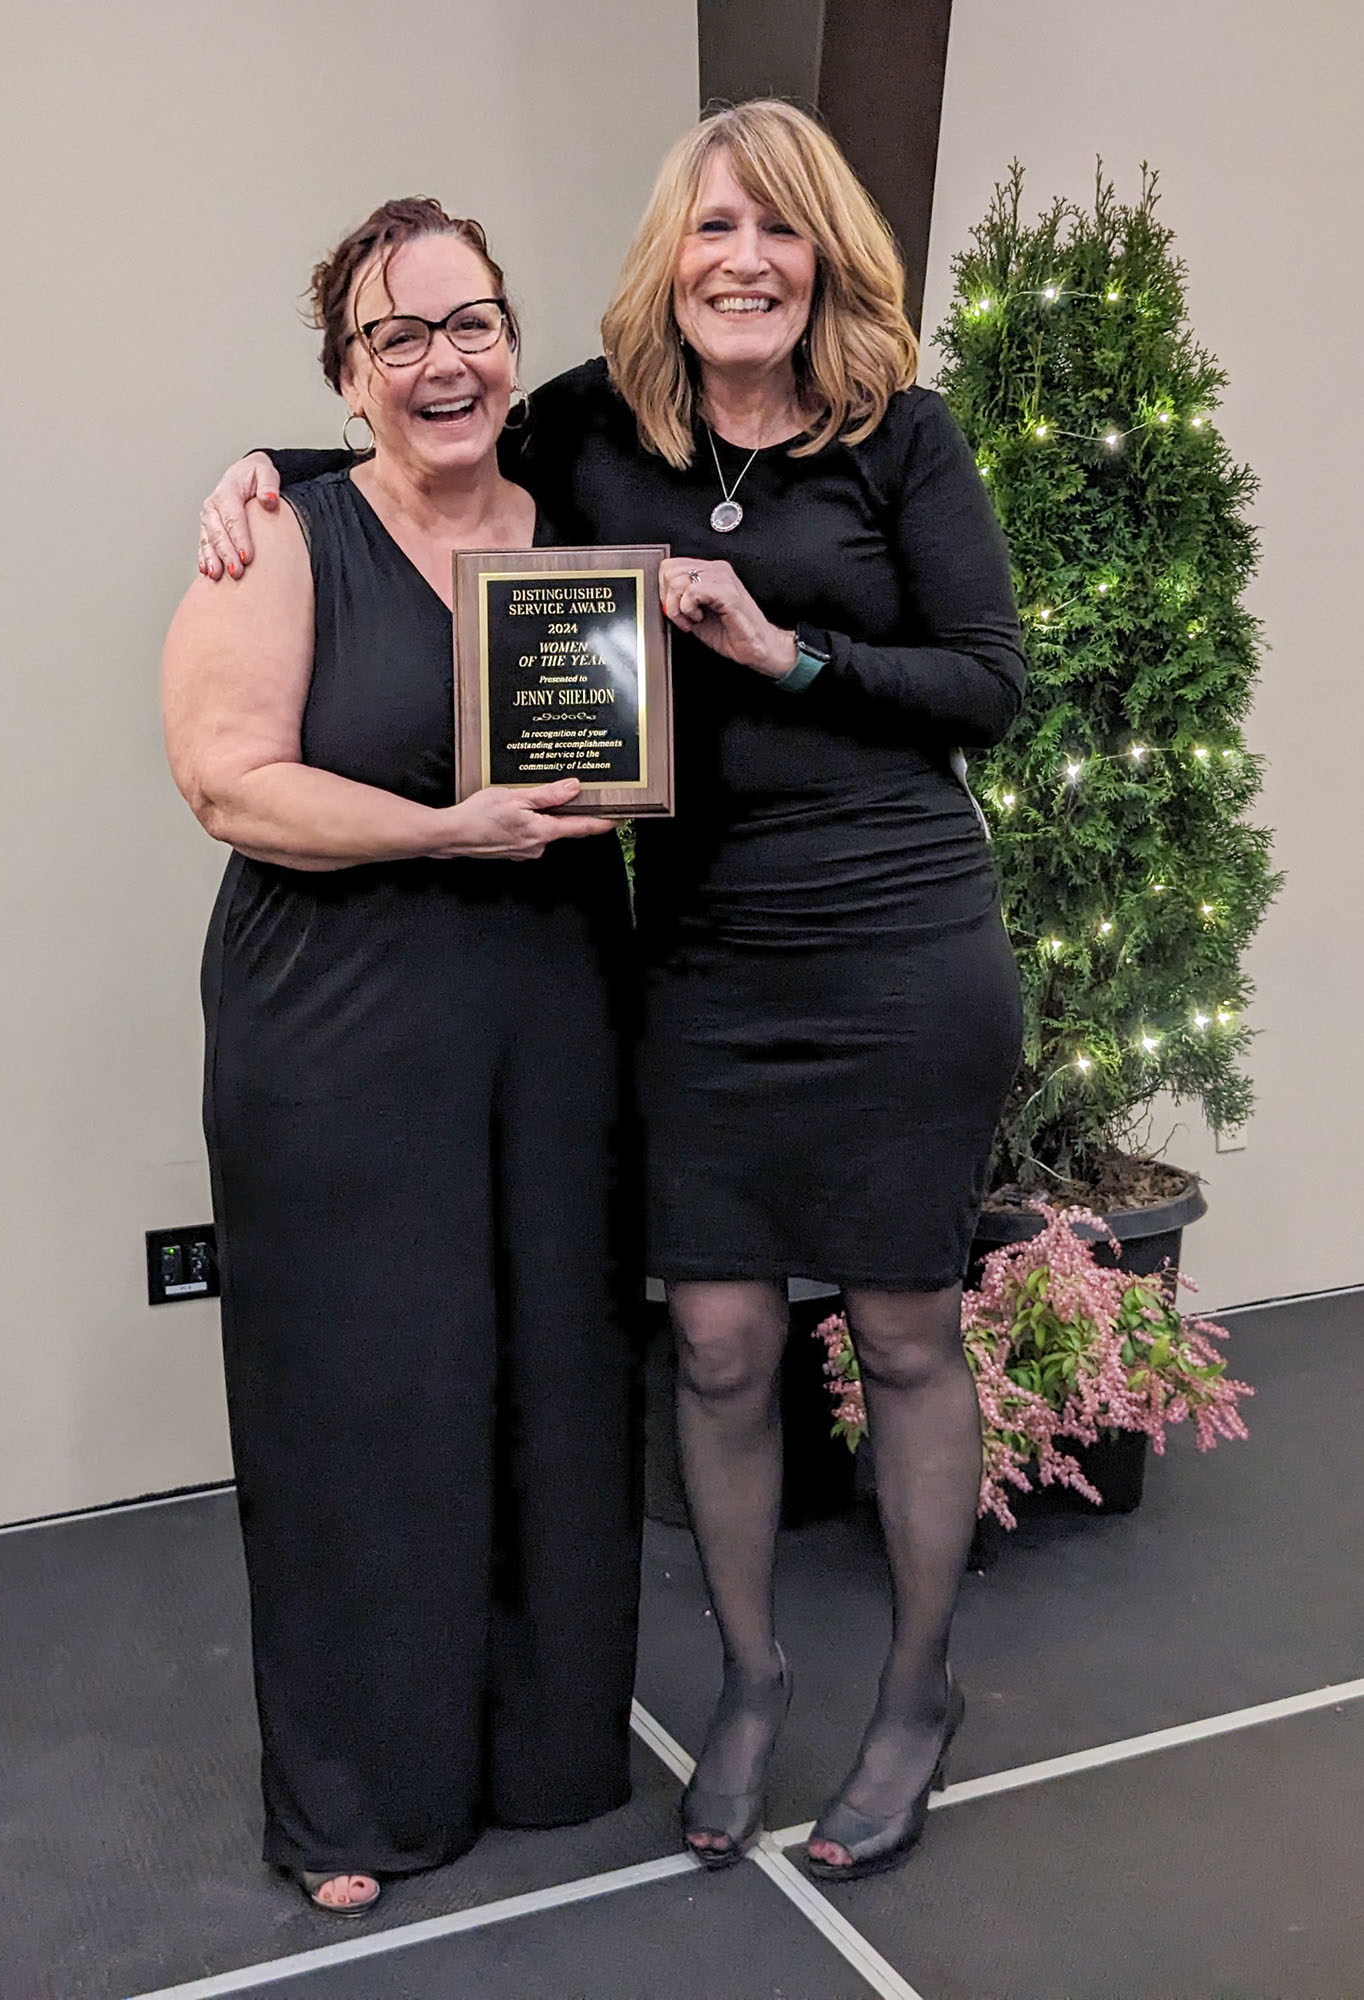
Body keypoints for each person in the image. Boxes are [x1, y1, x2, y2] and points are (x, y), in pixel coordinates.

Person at [199, 101, 1025, 1882]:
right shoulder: (598, 424)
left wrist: (787, 652)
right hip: (699, 952)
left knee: (902, 1332)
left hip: (895, 943)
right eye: (716, 225)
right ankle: (750, 1682)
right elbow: (425, 436)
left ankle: (915, 1697)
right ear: (672, 253)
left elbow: (988, 684)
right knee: (716, 1344)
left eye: (781, 228)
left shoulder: (904, 437)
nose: (747, 259)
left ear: (828, 257)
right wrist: (253, 469)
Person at [163, 198, 643, 1917]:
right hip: (339, 1024)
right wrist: (447, 825)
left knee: (554, 1372)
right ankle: (357, 1794)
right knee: (361, 1396)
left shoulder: (580, 523)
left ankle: (548, 1747)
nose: (446, 361)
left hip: (556, 1009)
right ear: (348, 374)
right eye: (400, 335)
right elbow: (227, 780)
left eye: (472, 323)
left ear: (512, 338)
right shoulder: (283, 534)